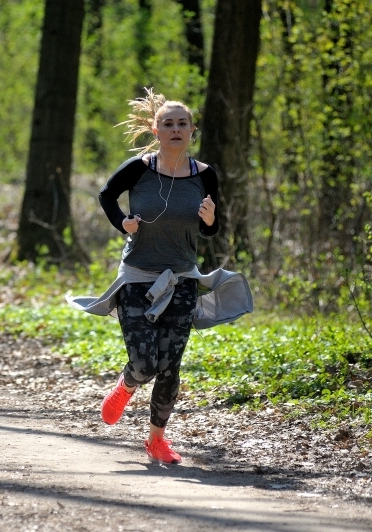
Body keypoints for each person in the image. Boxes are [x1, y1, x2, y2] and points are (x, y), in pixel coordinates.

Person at [67, 88, 252, 464]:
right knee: (145, 362)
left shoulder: (205, 175)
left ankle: (156, 440)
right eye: (168, 124)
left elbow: (212, 232)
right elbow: (106, 195)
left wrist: (212, 220)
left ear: (192, 131)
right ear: (157, 131)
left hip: (182, 278)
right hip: (137, 277)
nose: (175, 129)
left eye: (182, 123)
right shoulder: (139, 168)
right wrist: (124, 223)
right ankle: (127, 383)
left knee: (170, 366)